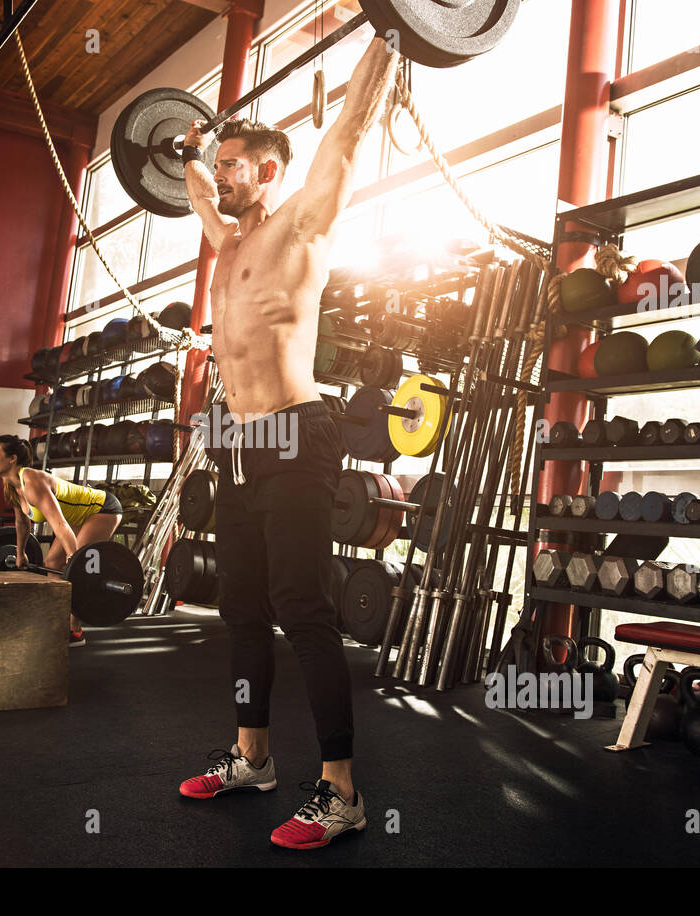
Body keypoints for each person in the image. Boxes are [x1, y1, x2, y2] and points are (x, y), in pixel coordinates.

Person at [174, 38, 399, 850]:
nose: (223, 177)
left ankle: (342, 789)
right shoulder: (225, 244)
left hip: (298, 433)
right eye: (223, 167)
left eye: (238, 165)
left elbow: (347, 132)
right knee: (241, 610)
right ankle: (252, 757)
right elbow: (194, 182)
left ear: (270, 172)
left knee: (303, 607)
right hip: (233, 439)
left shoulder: (304, 223)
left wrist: (389, 34)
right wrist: (198, 150)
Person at [0, 434, 123, 644]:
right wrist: (20, 552)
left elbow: (58, 523)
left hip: (102, 510)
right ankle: (59, 620)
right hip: (77, 517)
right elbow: (22, 523)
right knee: (51, 563)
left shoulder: (32, 481)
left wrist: (74, 558)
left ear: (12, 458)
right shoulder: (12, 486)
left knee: (76, 571)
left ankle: (74, 631)